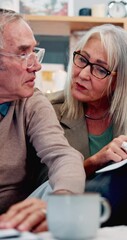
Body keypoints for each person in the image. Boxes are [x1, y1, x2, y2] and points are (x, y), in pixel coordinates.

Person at [18, 23, 127, 228]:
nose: (83, 74)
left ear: (119, 80)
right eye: (82, 60)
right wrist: (94, 161)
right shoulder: (48, 109)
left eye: (100, 69)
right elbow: (43, 183)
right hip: (61, 214)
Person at [0, 8, 85, 232]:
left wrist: (60, 203)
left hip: (18, 221)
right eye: (23, 53)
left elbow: (62, 156)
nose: (36, 65)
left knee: (59, 191)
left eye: (34, 52)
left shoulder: (31, 100)